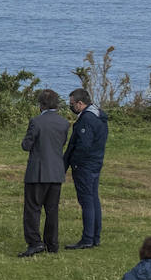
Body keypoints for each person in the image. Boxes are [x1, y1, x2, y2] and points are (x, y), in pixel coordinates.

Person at [20, 89, 70, 256]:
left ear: (41, 105)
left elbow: (27, 145)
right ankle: (52, 243)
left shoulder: (36, 122)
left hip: (38, 172)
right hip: (56, 171)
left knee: (33, 209)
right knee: (52, 209)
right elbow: (62, 143)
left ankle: (35, 242)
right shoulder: (64, 123)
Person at [64, 87, 109, 250]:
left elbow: (83, 145)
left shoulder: (87, 120)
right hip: (96, 161)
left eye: (72, 104)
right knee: (93, 199)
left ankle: (88, 238)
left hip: (85, 165)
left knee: (87, 201)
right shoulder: (99, 115)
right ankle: (95, 236)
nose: (71, 107)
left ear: (80, 103)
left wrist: (74, 163)